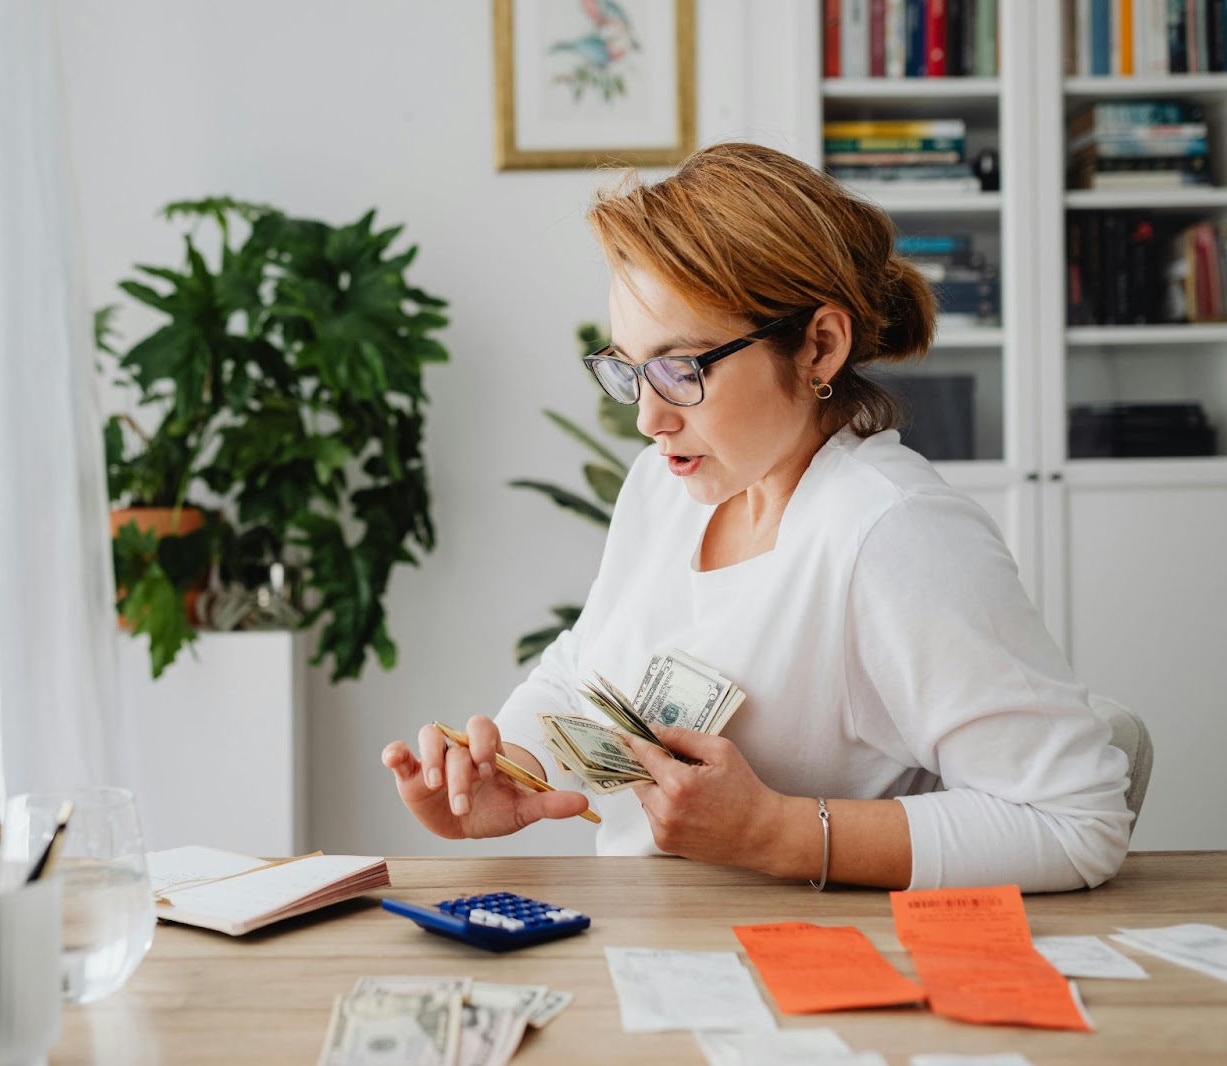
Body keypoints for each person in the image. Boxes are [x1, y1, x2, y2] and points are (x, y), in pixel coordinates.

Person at [380, 142, 1133, 893]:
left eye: (681, 370)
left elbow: (1074, 823)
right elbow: (584, 666)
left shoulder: (895, 533)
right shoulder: (664, 488)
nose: (647, 417)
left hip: (806, 975)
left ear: (820, 346)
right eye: (628, 370)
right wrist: (512, 765)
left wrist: (774, 832)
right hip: (646, 942)